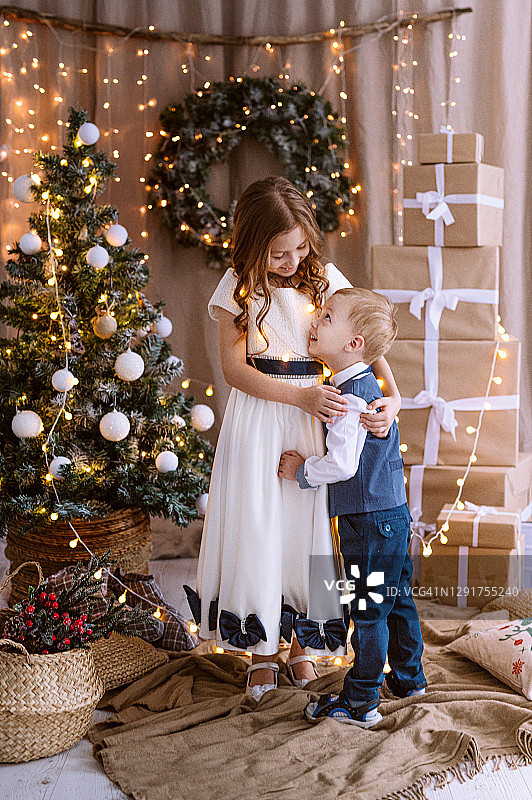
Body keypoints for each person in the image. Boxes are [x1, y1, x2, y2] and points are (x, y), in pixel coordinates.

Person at [186, 177, 401, 702]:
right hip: (264, 414)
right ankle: (262, 651)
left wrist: (393, 397)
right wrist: (300, 397)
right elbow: (234, 370)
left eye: (300, 247)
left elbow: (366, 340)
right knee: (260, 523)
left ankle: (303, 645)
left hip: (315, 415)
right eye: (278, 252)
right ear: (252, 245)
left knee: (310, 527)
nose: (290, 259)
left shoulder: (324, 278)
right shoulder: (237, 287)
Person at [278, 287, 427, 727]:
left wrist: (303, 470)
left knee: (368, 611)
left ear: (352, 344)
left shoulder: (348, 399)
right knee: (397, 599)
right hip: (393, 516)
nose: (313, 321)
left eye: (325, 318)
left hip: (367, 521)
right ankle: (409, 678)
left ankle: (361, 701)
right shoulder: (363, 385)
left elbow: (342, 465)